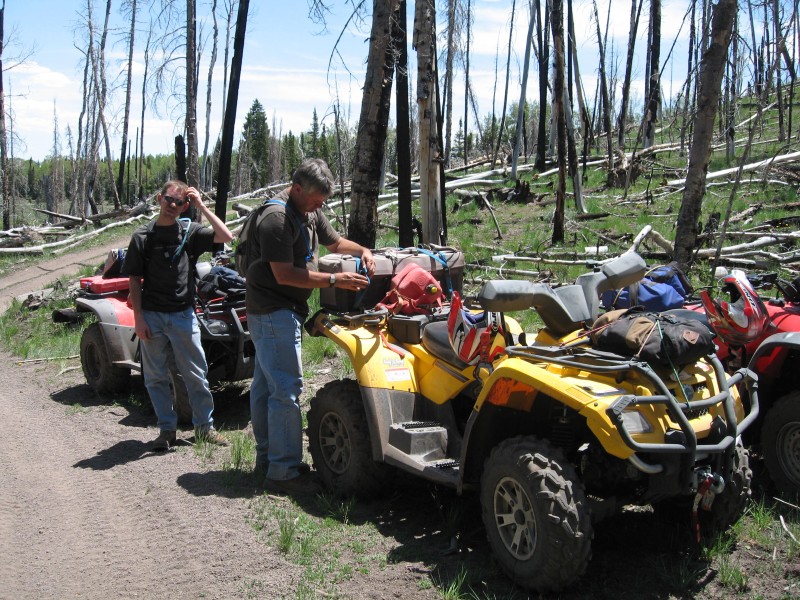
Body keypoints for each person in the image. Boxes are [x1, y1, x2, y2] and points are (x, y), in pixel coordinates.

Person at [246, 158, 374, 495]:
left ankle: (269, 459)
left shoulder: (308, 210)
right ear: (297, 188)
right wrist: (336, 279)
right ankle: (284, 471)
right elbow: (284, 274)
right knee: (286, 389)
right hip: (273, 312)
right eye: (317, 199)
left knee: (265, 387)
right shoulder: (277, 218)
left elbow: (333, 243)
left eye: (324, 200)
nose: (321, 205)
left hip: (279, 311)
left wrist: (363, 250)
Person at [122, 180, 234, 451]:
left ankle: (204, 429)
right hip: (152, 316)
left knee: (196, 373)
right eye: (169, 200)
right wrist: (138, 319)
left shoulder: (190, 231)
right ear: (159, 199)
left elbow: (226, 236)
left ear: (185, 205)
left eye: (180, 202)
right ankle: (166, 431)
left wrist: (201, 206)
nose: (173, 206)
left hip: (183, 315)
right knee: (156, 377)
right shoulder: (142, 237)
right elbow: (134, 280)